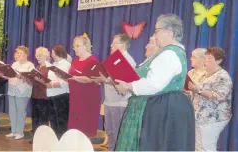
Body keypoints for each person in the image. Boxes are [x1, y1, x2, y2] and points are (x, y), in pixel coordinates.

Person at [114, 14, 195, 151]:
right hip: (164, 105)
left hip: (165, 109)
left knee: (158, 145)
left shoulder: (169, 54)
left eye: (157, 30)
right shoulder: (170, 52)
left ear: (169, 32)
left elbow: (153, 84)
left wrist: (128, 86)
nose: (155, 35)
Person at [92, 34, 136, 151]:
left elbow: (124, 84)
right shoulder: (114, 59)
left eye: (114, 43)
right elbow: (111, 79)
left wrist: (105, 80)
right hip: (109, 101)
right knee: (110, 133)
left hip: (120, 103)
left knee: (118, 134)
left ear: (123, 45)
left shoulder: (128, 61)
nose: (111, 45)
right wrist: (102, 79)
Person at [188, 47, 232, 151]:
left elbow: (219, 97)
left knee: (206, 148)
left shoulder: (223, 76)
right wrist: (191, 92)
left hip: (213, 118)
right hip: (201, 117)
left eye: (209, 58)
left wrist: (197, 90)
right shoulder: (207, 74)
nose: (205, 61)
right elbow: (201, 94)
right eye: (205, 58)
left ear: (219, 60)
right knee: (199, 147)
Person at [68, 34, 101, 138]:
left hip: (87, 99)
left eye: (78, 46)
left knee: (84, 127)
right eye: (74, 46)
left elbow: (91, 79)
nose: (75, 49)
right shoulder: (76, 60)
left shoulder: (92, 60)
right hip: (75, 98)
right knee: (75, 127)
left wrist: (74, 78)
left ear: (86, 46)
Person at [1, 46, 34, 140]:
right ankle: (14, 131)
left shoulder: (29, 65)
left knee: (20, 111)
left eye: (21, 53)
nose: (18, 55)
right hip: (12, 90)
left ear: (26, 54)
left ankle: (20, 132)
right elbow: (11, 76)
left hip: (23, 91)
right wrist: (3, 76)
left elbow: (31, 79)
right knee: (12, 111)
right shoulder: (14, 64)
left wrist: (22, 77)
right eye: (17, 53)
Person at [45, 44, 71, 138]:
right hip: (52, 94)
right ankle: (56, 138)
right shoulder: (54, 65)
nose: (51, 54)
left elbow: (65, 82)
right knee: (53, 119)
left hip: (61, 95)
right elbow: (50, 78)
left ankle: (62, 139)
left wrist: (50, 84)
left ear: (57, 53)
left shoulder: (66, 64)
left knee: (61, 120)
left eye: (52, 52)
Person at [30, 47, 50, 142]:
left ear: (46, 56)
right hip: (35, 95)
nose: (38, 57)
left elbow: (49, 83)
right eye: (37, 55)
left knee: (43, 119)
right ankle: (35, 137)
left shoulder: (49, 67)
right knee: (35, 118)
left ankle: (43, 139)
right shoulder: (37, 67)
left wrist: (39, 80)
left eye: (40, 55)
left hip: (44, 96)